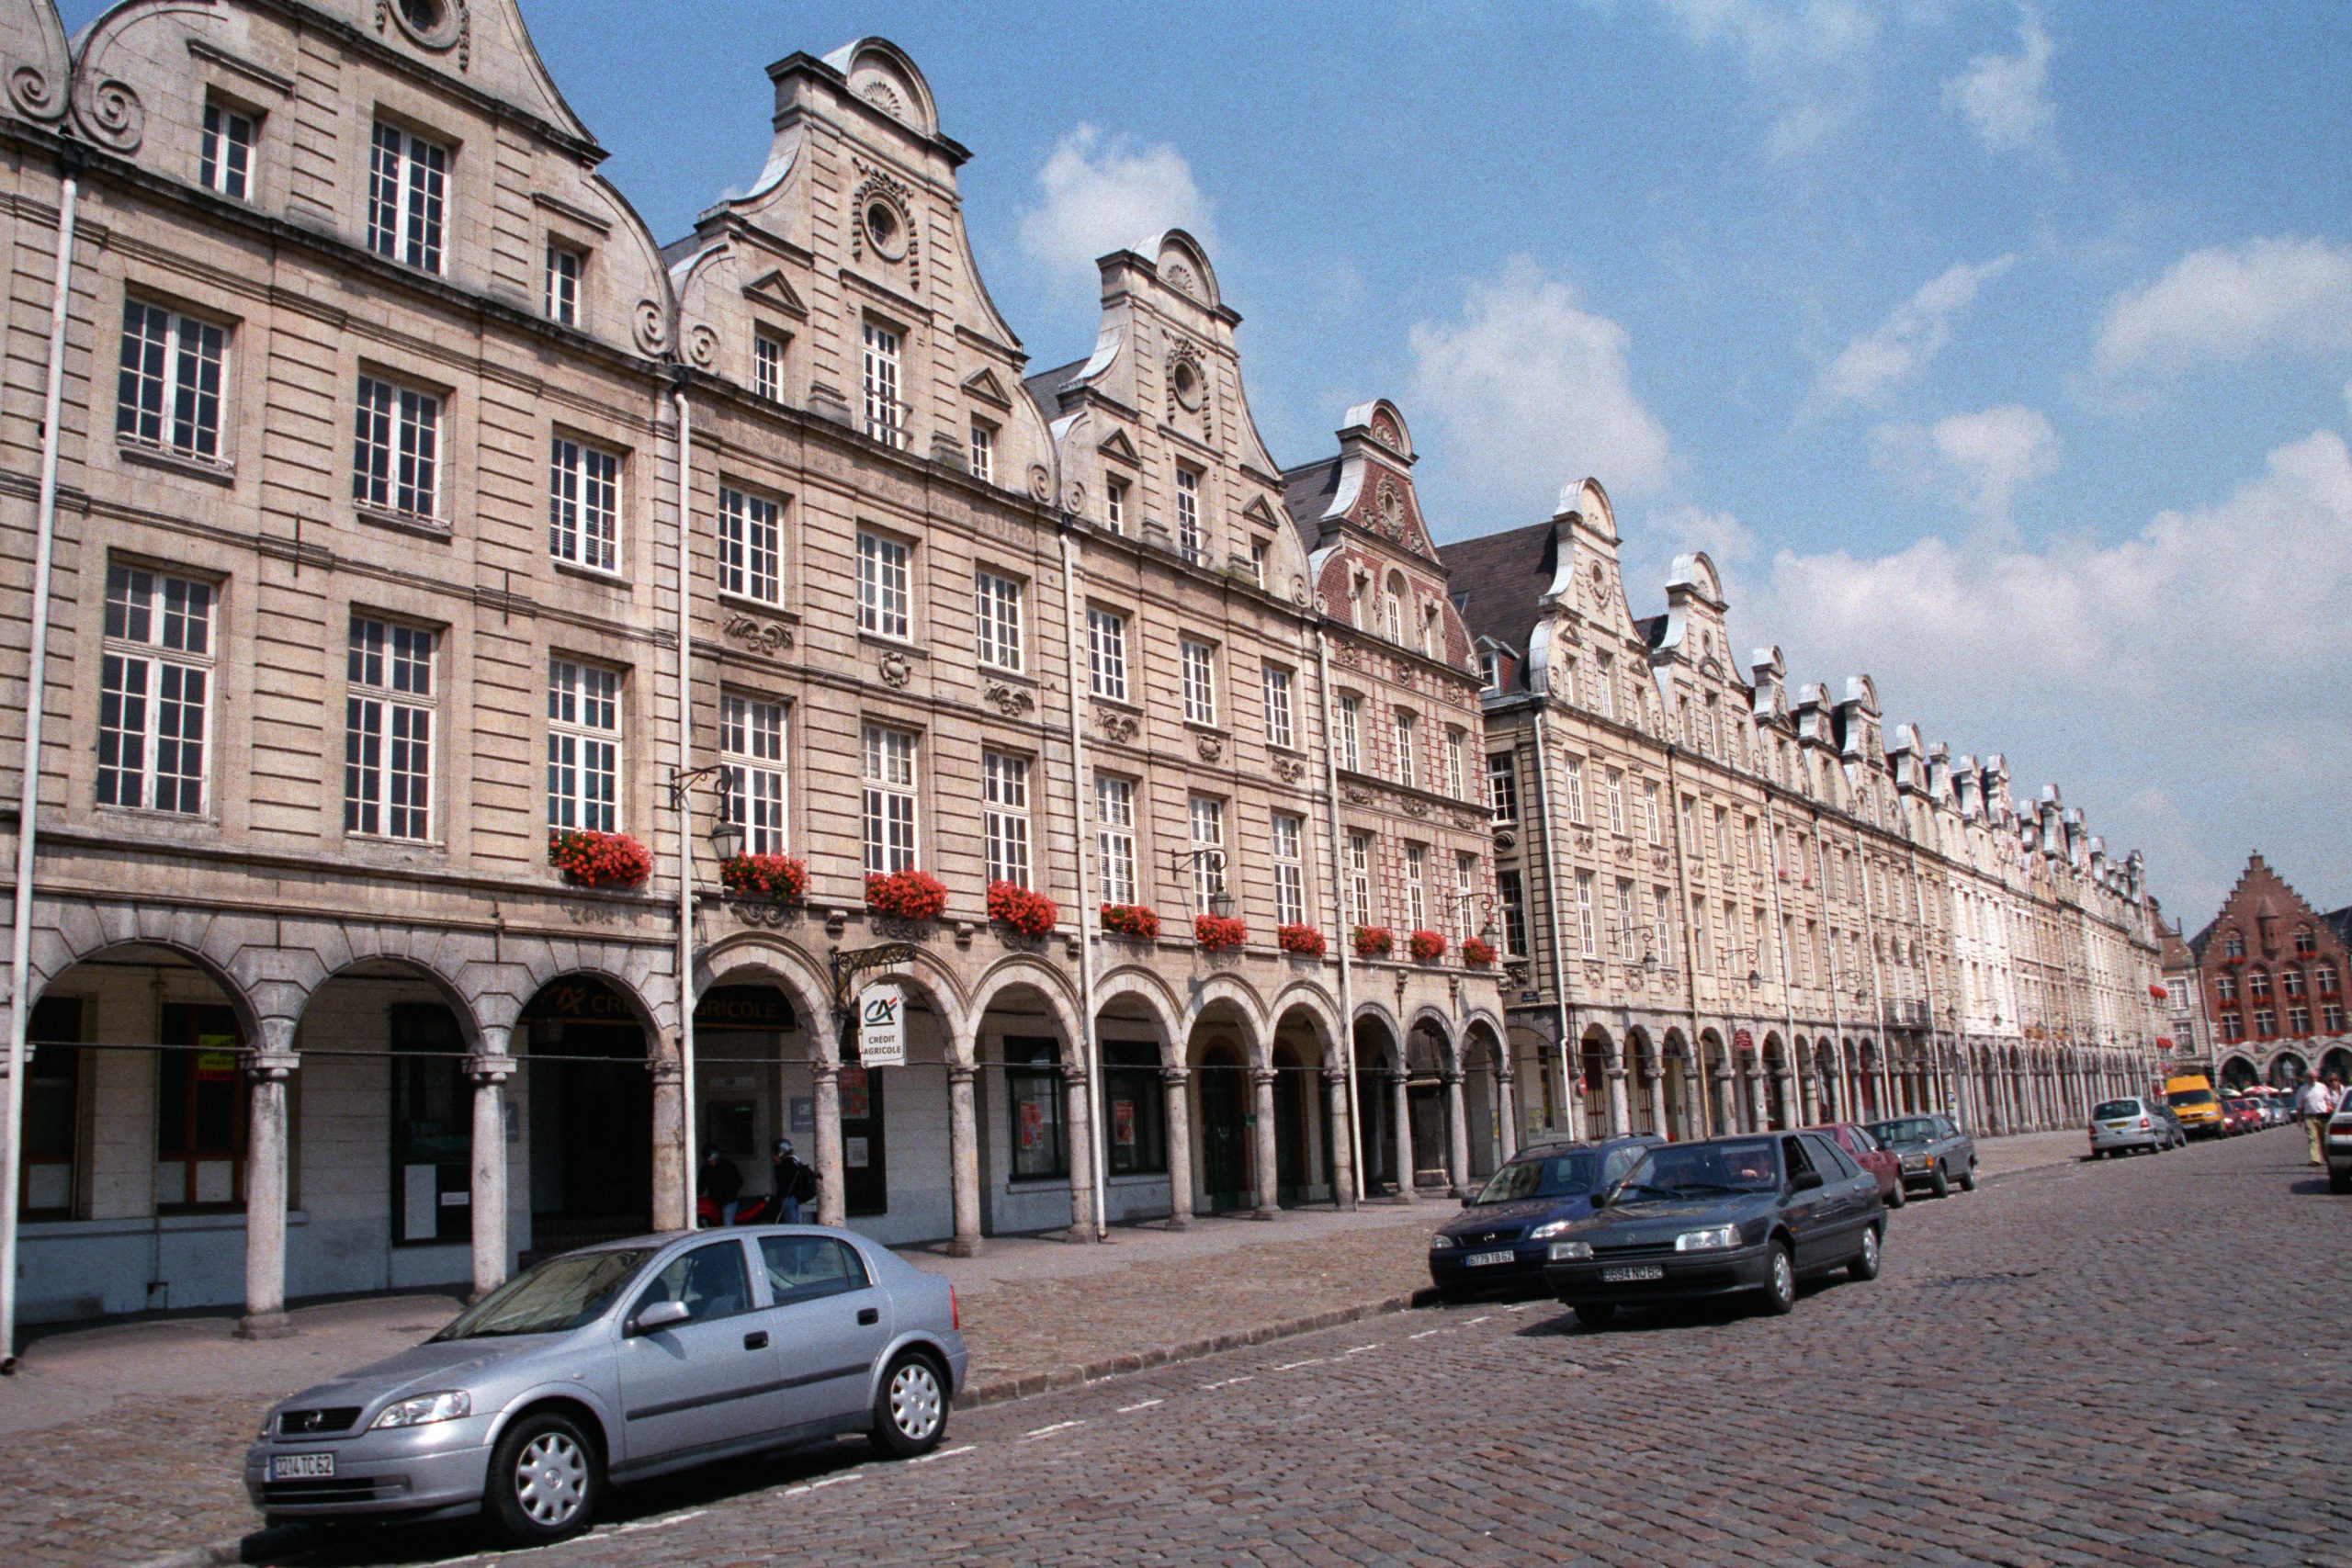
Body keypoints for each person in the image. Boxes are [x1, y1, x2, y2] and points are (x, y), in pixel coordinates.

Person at [773, 1139, 819, 1224]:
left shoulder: (786, 1163)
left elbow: (782, 1180)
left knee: (791, 1223)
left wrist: (778, 1165)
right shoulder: (796, 1161)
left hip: (788, 1197)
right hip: (795, 1197)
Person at [2299, 1075, 2337, 1165]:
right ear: (2307, 1078)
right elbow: (2299, 1105)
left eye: (2315, 1077)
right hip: (2309, 1116)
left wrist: (2329, 1108)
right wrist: (2299, 1119)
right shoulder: (2302, 1089)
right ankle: (2315, 1159)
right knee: (2312, 1137)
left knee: (2324, 1137)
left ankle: (2327, 1157)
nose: (2313, 1079)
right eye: (2311, 1077)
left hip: (2322, 1115)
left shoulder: (2322, 1087)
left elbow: (2329, 1100)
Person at [699, 1146, 743, 1223]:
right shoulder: (705, 1170)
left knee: (727, 1223)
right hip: (713, 1202)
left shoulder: (728, 1166)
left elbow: (739, 1182)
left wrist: (729, 1191)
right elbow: (700, 1187)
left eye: (713, 1156)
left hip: (729, 1201)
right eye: (709, 1157)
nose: (711, 1159)